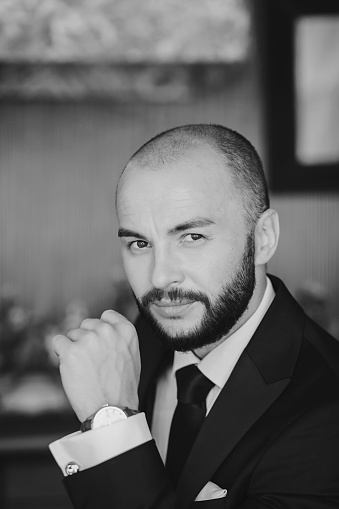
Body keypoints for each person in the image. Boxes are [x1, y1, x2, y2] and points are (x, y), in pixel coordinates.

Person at [50, 124, 339, 509]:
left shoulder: (326, 409)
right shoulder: (147, 336)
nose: (159, 277)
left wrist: (109, 423)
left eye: (192, 237)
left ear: (263, 238)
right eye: (140, 243)